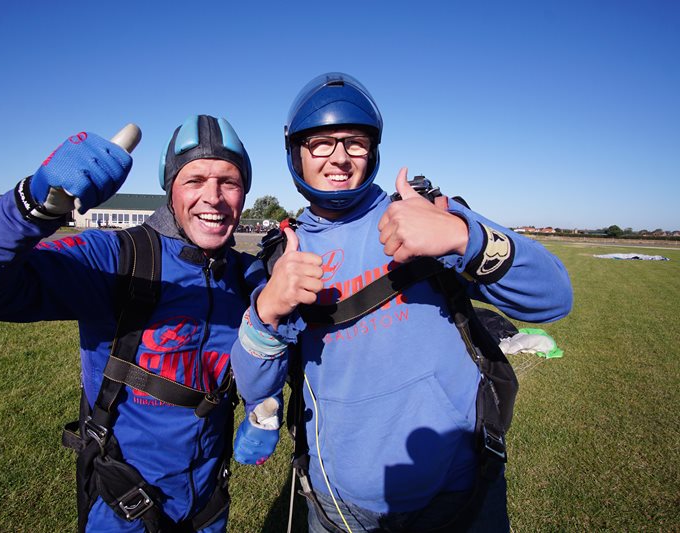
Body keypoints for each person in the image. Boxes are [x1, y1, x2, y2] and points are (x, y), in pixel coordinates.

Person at [231, 73, 573, 532]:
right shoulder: (282, 254)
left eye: (355, 143)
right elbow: (256, 388)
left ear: (373, 151)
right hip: (341, 506)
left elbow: (553, 298)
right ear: (297, 154)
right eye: (321, 143)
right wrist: (267, 312)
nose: (339, 157)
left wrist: (462, 238)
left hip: (462, 488)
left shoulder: (425, 213)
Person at [0, 115, 261, 532]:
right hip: (124, 504)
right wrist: (32, 205)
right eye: (194, 180)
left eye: (229, 182)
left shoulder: (246, 276)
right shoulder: (116, 257)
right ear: (170, 189)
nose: (213, 197)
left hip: (208, 506)